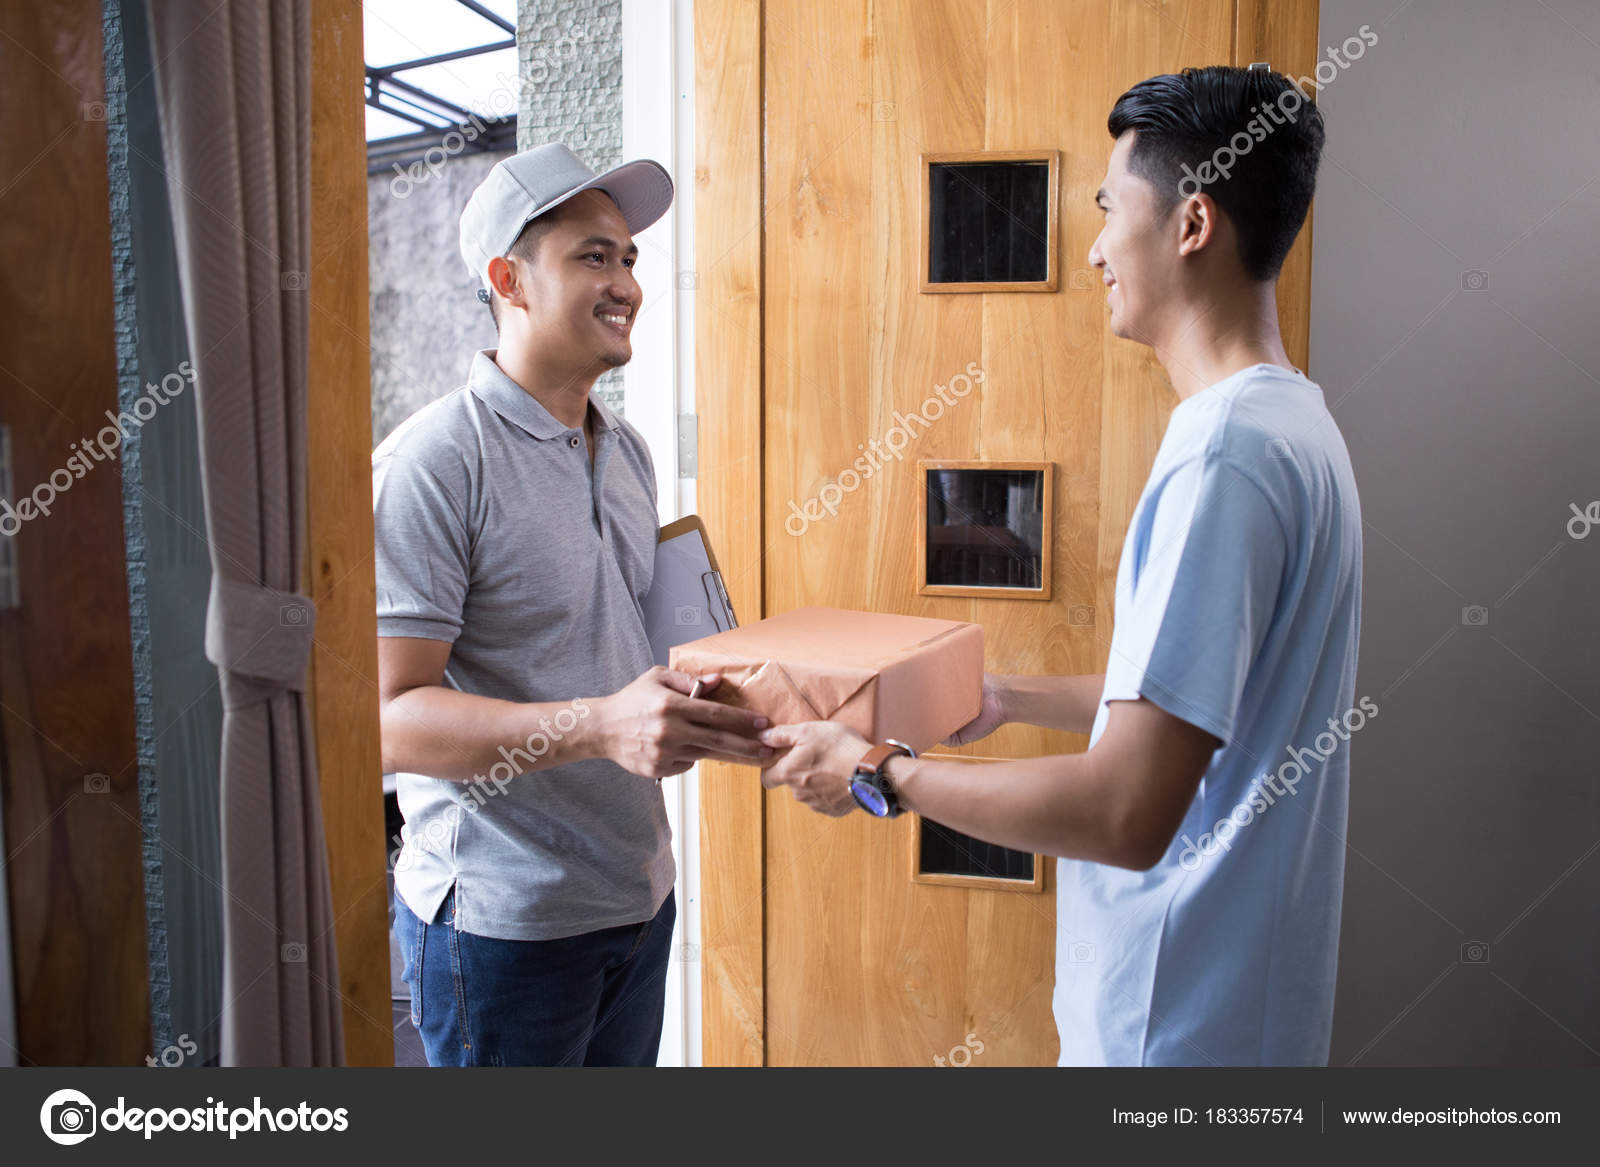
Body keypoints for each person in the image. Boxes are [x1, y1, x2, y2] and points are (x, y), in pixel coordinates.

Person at [759, 66, 1362, 1067]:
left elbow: (1124, 812)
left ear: (1191, 223)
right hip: (1243, 1008)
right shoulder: (1294, 422)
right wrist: (1004, 696)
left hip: (1174, 1027)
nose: (1091, 249)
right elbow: (1184, 704)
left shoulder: (1225, 455)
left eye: (1107, 209)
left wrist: (880, 772)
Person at [374, 144, 769, 1067]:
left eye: (629, 258)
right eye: (594, 256)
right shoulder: (435, 462)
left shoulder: (623, 449)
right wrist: (600, 726)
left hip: (636, 898)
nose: (626, 280)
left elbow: (644, 645)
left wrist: (730, 696)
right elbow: (388, 720)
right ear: (508, 279)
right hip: (506, 927)